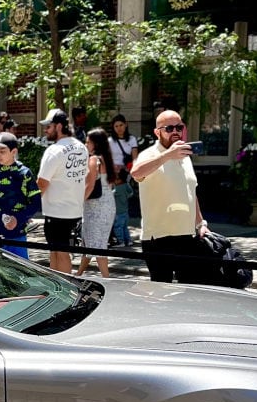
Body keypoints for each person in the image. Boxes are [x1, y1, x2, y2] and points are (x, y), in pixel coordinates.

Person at [132, 109, 210, 283]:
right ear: (157, 132)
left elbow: (191, 192)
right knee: (161, 294)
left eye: (179, 127)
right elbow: (136, 173)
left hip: (187, 236)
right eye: (169, 128)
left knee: (189, 292)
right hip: (158, 238)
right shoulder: (149, 154)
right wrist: (167, 155)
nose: (175, 131)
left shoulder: (185, 156)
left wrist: (201, 223)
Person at [36, 109, 89, 273]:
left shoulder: (54, 151)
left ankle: (66, 287)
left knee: (60, 252)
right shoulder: (82, 147)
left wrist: (30, 206)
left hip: (56, 212)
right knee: (59, 251)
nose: (46, 130)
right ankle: (57, 285)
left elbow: (42, 183)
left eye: (49, 126)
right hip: (75, 210)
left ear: (59, 126)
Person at [0, 132, 40, 259]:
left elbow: (36, 203)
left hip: (17, 235)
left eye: (2, 151)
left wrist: (19, 218)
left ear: (13, 151)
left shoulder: (24, 173)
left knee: (20, 274)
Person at [78, 128, 118, 278]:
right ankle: (79, 273)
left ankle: (107, 278)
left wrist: (77, 203)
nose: (86, 144)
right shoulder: (106, 159)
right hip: (108, 205)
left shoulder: (94, 159)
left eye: (88, 142)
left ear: (95, 143)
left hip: (95, 206)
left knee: (98, 245)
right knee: (90, 242)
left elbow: (90, 185)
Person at [110, 164, 133, 247]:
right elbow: (131, 192)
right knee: (125, 227)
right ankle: (129, 241)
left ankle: (121, 242)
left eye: (116, 179)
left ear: (120, 179)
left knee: (118, 227)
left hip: (118, 212)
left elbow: (111, 195)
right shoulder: (126, 185)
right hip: (125, 210)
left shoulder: (117, 189)